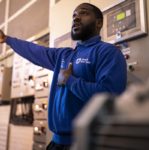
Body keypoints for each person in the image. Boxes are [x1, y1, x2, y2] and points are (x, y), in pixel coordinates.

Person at [0, 3, 127, 150]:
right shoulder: (64, 55)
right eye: (74, 15)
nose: (76, 18)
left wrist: (69, 81)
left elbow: (111, 97)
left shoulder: (108, 52)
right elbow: (34, 51)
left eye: (84, 13)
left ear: (99, 22)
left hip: (87, 143)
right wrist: (7, 39)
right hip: (56, 143)